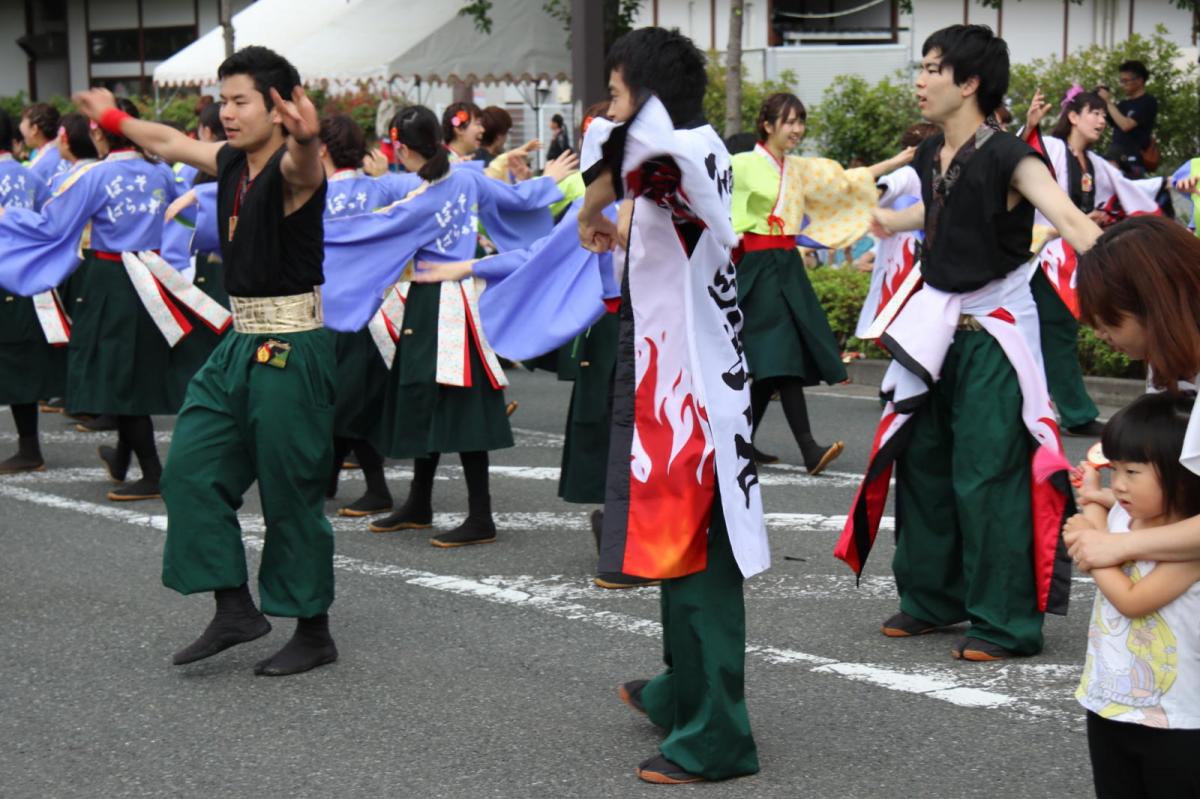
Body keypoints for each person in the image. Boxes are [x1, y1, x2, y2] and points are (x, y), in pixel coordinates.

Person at [834, 24, 1103, 662]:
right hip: (935, 334)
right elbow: (937, 211)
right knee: (922, 464)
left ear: (970, 82)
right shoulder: (932, 154)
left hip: (994, 337)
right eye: (922, 68)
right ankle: (934, 598)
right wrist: (885, 221)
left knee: (989, 475)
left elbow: (1066, 219)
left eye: (931, 68)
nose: (920, 81)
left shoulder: (1013, 157)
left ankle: (1007, 622)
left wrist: (1134, 271)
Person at [73, 45, 338, 676]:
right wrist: (113, 120)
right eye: (223, 100)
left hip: (293, 347)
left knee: (290, 490)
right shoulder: (231, 162)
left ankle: (313, 630)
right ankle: (235, 608)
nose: (227, 112)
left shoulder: (294, 170)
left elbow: (305, 168)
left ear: (278, 108)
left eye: (241, 100)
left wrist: (306, 141)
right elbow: (164, 139)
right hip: (238, 343)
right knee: (188, 468)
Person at [576, 27, 766, 784]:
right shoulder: (685, 152)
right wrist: (601, 208)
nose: (609, 109)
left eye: (619, 91)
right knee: (673, 550)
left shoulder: (677, 155)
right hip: (676, 381)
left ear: (645, 99)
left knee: (700, 566)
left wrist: (596, 196)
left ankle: (718, 734)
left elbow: (617, 147)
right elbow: (614, 156)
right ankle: (682, 690)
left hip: (693, 395)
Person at [317, 105, 571, 547]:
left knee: (456, 401)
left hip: (437, 300)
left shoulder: (424, 197)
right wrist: (549, 179)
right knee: (432, 398)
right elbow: (518, 201)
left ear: (399, 148)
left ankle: (480, 515)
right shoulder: (463, 179)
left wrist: (313, 240)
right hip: (457, 299)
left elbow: (372, 229)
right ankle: (419, 501)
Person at [0, 99, 187, 500]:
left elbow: (53, 223)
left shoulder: (96, 175)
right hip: (154, 275)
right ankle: (122, 457)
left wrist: (7, 219)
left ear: (99, 132)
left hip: (113, 277)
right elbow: (185, 214)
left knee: (116, 371)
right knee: (131, 367)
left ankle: (153, 472)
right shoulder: (160, 172)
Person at [731, 92, 912, 474]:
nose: (797, 129)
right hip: (755, 264)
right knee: (780, 356)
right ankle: (808, 449)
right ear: (768, 125)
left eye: (801, 121)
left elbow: (846, 182)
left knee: (775, 361)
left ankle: (738, 443)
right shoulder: (743, 163)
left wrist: (896, 161)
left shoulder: (797, 168)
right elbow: (722, 210)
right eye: (790, 121)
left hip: (784, 264)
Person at [1069, 393, 1200, 798]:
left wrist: (1094, 550)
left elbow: (1132, 600)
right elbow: (1099, 524)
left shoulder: (1189, 548)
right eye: (1114, 470)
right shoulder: (1126, 514)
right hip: (1107, 703)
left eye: (1132, 471)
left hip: (1179, 718)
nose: (1119, 484)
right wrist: (1092, 496)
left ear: (1182, 474)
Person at [1022, 86, 1161, 437]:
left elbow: (1134, 192)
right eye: (1094, 113)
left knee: (1051, 332)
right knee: (1054, 330)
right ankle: (1073, 411)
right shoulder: (1051, 148)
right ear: (1072, 117)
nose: (1101, 120)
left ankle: (1051, 409)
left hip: (1073, 254)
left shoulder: (1097, 165)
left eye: (1103, 114)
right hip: (1041, 255)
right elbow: (1018, 160)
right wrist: (1030, 128)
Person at [1065, 217, 1200, 574]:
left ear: (1153, 305)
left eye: (1107, 318)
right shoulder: (1167, 362)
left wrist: (1118, 544)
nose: (1099, 333)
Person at [0, 109, 59, 473]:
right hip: (25, 280)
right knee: (19, 359)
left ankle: (29, 451)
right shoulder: (32, 175)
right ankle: (28, 445)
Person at [1100, 60, 1157, 178]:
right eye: (1121, 81)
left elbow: (1126, 125)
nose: (1122, 85)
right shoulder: (1123, 104)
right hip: (1115, 159)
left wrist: (1108, 102)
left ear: (1140, 80)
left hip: (1133, 163)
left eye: (1126, 81)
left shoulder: (1148, 102)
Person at [20, 102, 66, 186]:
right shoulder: (66, 152)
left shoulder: (37, 167)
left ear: (34, 129)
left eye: (22, 121)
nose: (20, 126)